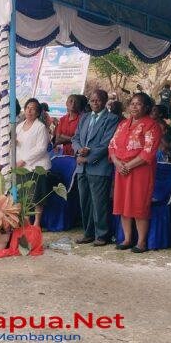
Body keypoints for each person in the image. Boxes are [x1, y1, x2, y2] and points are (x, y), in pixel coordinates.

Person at [109, 92, 162, 253]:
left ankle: (141, 242)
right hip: (121, 170)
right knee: (122, 204)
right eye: (132, 103)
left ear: (146, 107)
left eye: (138, 104)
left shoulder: (151, 125)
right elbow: (112, 145)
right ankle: (127, 239)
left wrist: (128, 165)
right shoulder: (123, 124)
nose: (134, 106)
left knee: (139, 205)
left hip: (140, 171)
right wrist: (117, 163)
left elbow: (148, 151)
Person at [72, 90, 119, 245]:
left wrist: (88, 157)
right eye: (92, 100)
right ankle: (88, 233)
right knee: (84, 201)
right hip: (82, 167)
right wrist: (79, 150)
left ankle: (102, 235)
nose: (95, 103)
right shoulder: (85, 117)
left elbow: (107, 143)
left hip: (99, 166)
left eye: (98, 100)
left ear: (105, 101)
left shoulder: (111, 119)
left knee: (99, 203)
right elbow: (75, 138)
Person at [15, 98, 54, 227]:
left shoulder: (40, 127)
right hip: (21, 167)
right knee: (24, 195)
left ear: (37, 113)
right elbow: (17, 145)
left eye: (33, 109)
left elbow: (41, 148)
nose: (29, 111)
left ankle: (37, 223)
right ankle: (26, 221)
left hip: (37, 166)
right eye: (27, 108)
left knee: (37, 196)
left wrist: (24, 160)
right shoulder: (19, 126)